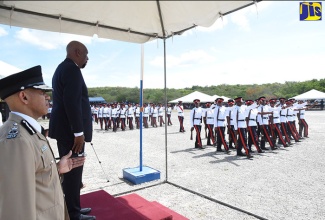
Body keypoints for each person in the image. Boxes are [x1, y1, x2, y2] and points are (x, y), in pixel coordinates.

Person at [0, 66, 85, 220]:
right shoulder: (16, 140)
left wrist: (57, 169)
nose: (48, 97)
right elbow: (17, 210)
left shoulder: (28, 131)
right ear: (24, 97)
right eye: (42, 92)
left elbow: (34, 178)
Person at [49, 41, 95, 220]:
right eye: (85, 54)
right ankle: (73, 214)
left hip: (65, 131)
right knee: (73, 173)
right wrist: (78, 133)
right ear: (76, 52)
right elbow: (72, 103)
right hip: (70, 133)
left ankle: (73, 207)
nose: (87, 58)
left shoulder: (63, 68)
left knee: (73, 173)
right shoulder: (71, 70)